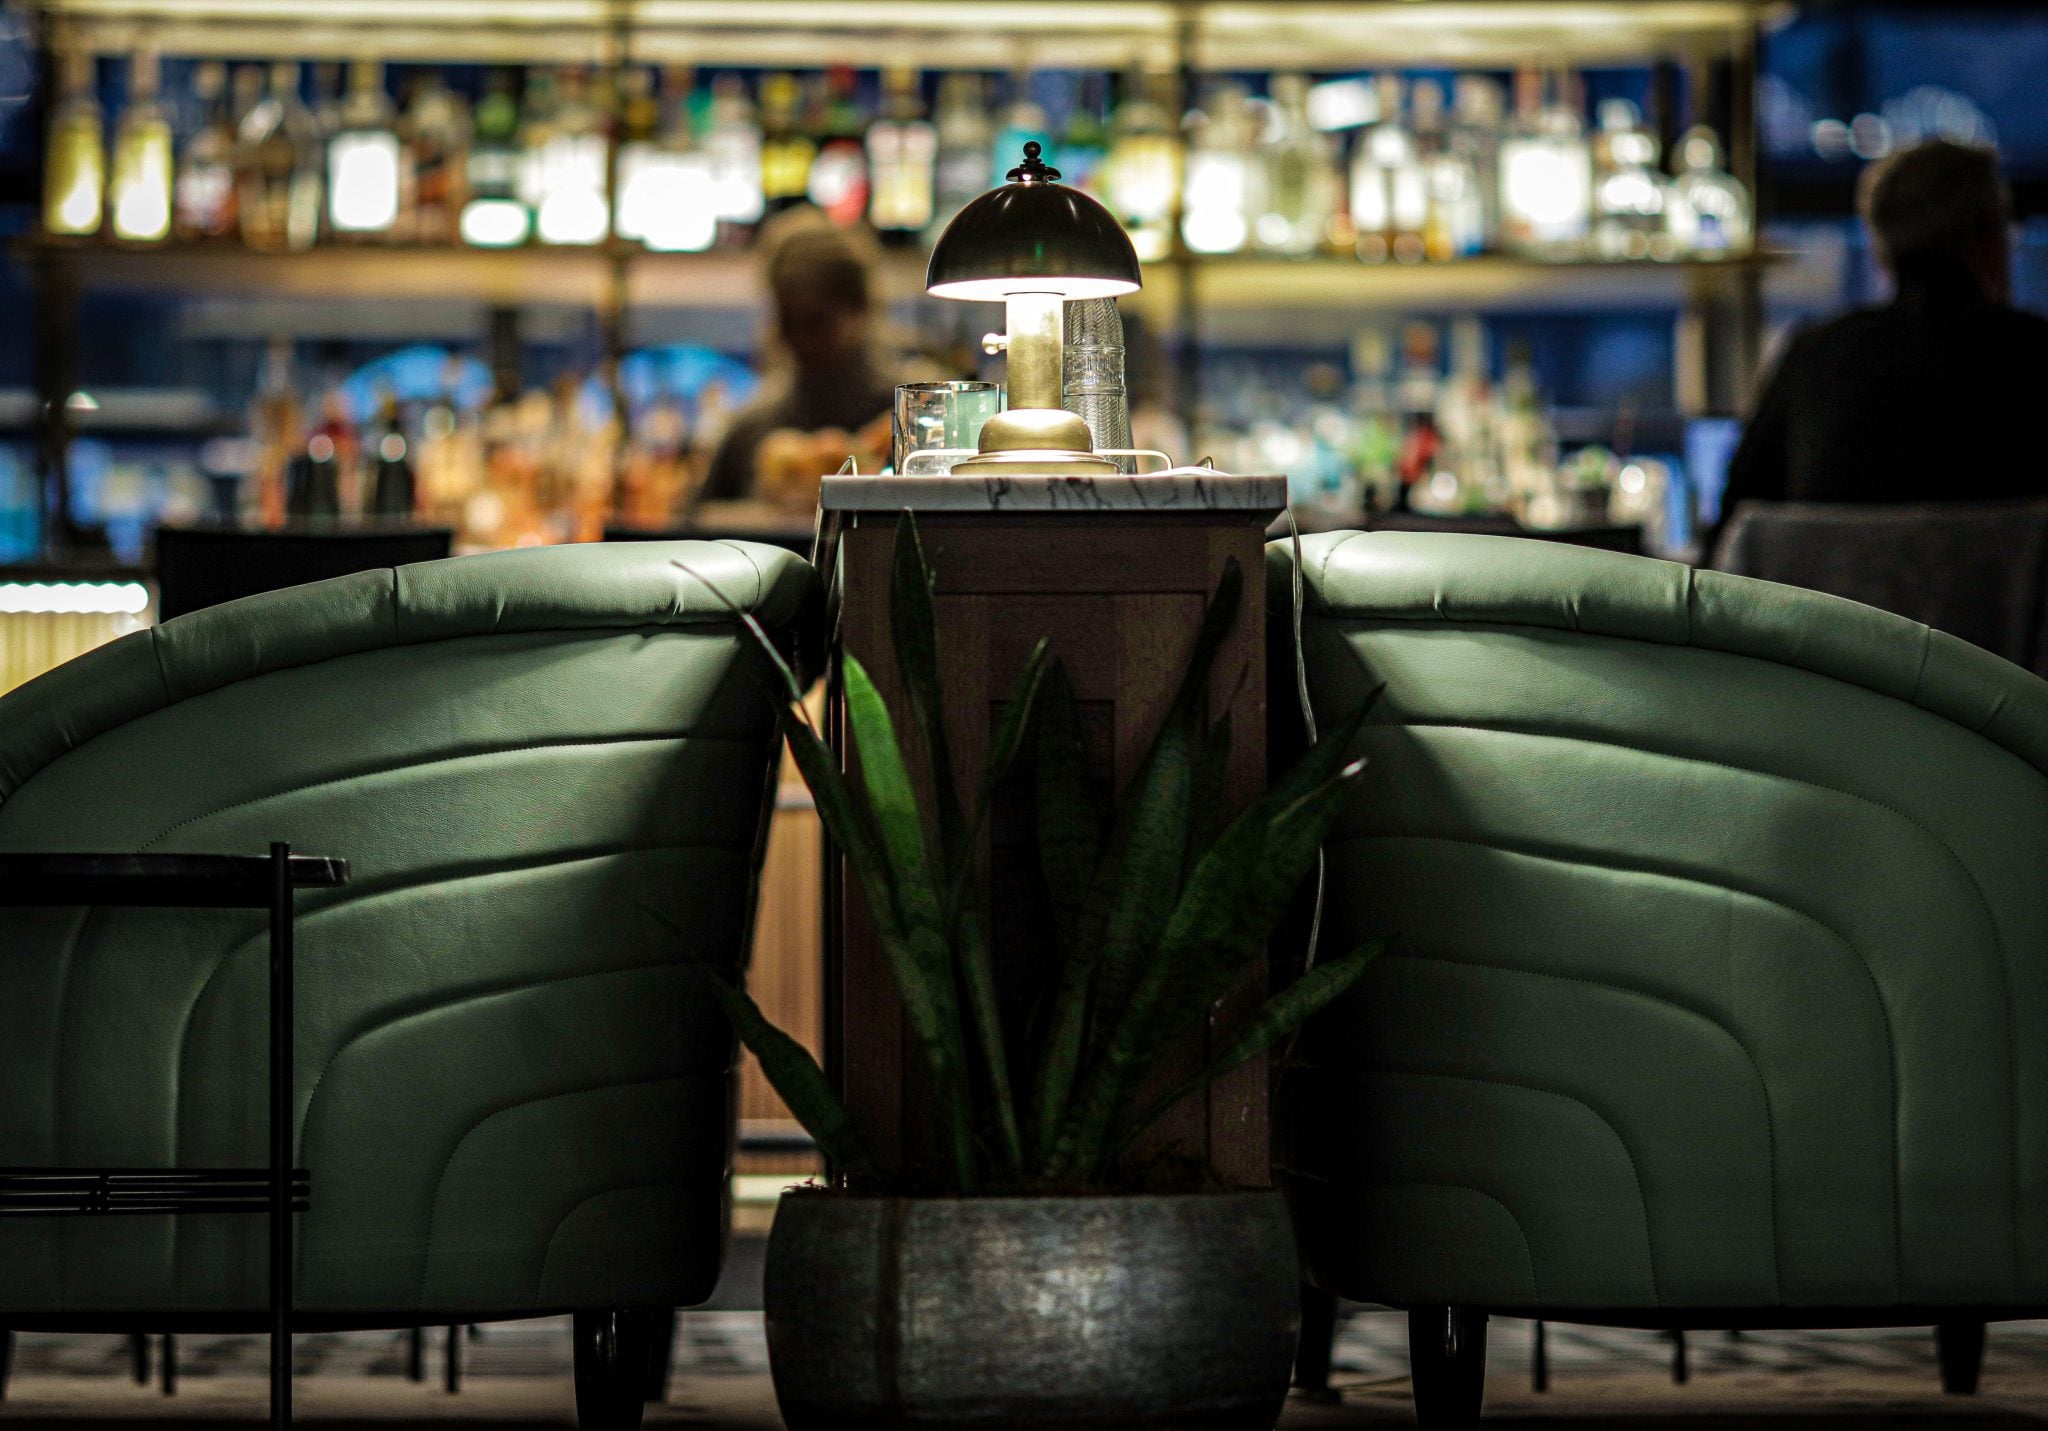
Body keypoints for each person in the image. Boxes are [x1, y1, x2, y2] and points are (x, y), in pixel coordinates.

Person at [1718, 140, 2048, 529]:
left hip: (1830, 590)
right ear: (1992, 235)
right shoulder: (2035, 354)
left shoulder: (1815, 358)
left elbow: (1736, 528)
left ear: (1880, 250)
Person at [702, 208, 900, 505]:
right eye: (789, 322)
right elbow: (696, 530)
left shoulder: (908, 421)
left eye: (816, 322)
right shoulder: (748, 433)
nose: (802, 340)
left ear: (860, 308)